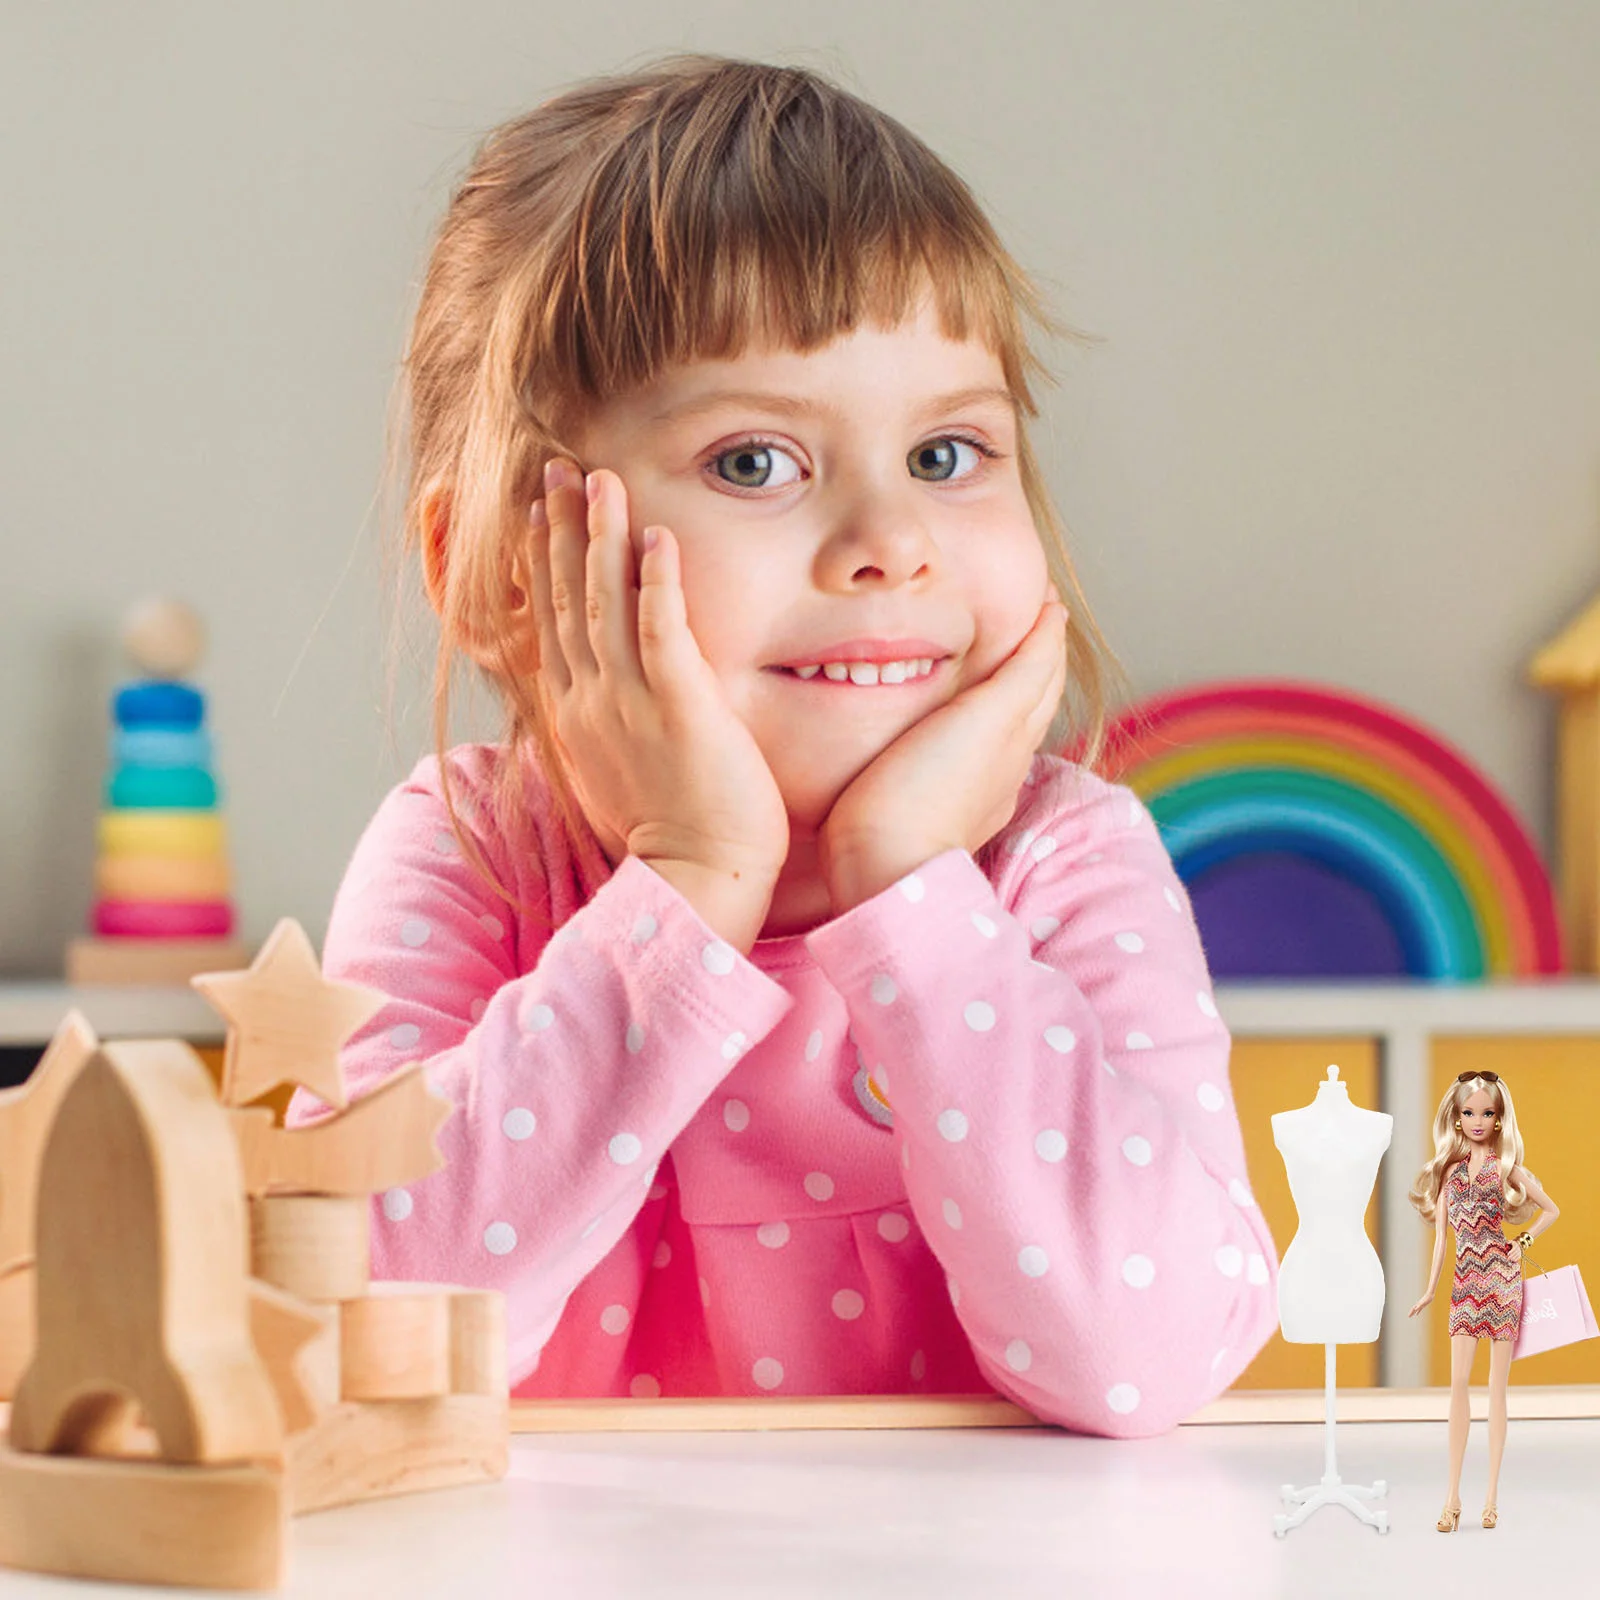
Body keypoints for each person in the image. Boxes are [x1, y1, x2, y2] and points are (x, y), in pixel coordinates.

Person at [287, 53, 1278, 1439]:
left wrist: (910, 892)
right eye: (756, 462)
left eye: (947, 455)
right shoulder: (476, 855)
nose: (892, 545)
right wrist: (690, 886)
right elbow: (362, 1326)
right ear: (507, 572)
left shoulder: (1061, 861)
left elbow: (1151, 1353)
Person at [1407, 1071, 1560, 1529]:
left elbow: (1551, 1209)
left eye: (1487, 1113)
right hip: (1464, 1285)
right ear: (1456, 1119)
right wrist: (1432, 1289)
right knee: (1457, 1384)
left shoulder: (1505, 1169)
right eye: (1469, 1112)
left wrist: (1522, 1243)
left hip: (1502, 1281)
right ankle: (1451, 1495)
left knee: (1497, 1389)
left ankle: (1490, 1496)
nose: (1478, 1120)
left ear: (1498, 1119)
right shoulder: (1449, 1174)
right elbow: (1441, 1241)